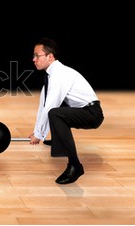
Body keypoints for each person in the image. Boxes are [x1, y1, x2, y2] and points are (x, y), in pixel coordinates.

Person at [29, 37, 104, 184]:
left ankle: (75, 166)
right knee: (54, 110)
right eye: (33, 55)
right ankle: (59, 139)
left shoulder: (59, 74)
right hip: (80, 110)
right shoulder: (51, 75)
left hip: (92, 113)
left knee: (55, 113)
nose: (34, 59)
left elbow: (51, 107)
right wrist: (38, 132)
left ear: (50, 57)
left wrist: (39, 135)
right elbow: (42, 106)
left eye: (37, 55)